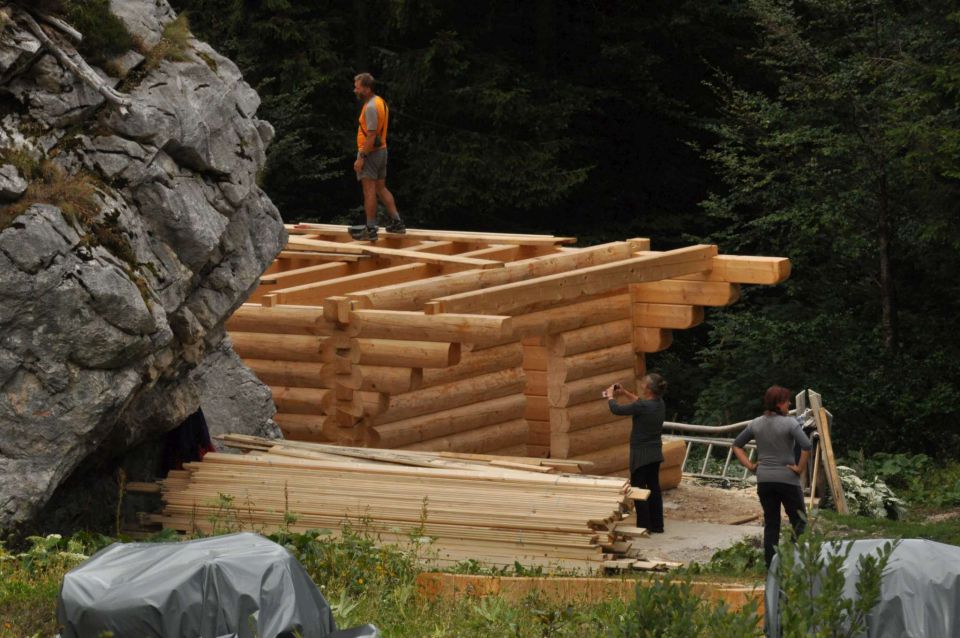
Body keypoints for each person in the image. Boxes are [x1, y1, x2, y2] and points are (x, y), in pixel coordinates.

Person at [732, 385, 812, 568]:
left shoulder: (756, 423)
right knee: (799, 522)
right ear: (779, 403)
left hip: (765, 480)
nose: (789, 404)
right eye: (786, 401)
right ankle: (795, 561)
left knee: (772, 523)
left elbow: (736, 445)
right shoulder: (790, 423)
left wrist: (751, 466)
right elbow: (807, 446)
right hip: (787, 480)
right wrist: (799, 468)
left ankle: (772, 567)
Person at [604, 373, 668, 533]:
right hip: (654, 452)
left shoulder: (643, 407)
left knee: (638, 489)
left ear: (647, 389)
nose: (641, 385)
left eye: (643, 383)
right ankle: (657, 525)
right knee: (654, 488)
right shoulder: (659, 403)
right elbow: (639, 403)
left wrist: (610, 396)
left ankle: (644, 526)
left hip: (640, 454)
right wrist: (625, 393)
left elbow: (616, 409)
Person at [352, 72, 405, 241]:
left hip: (371, 154)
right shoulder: (380, 101)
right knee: (381, 188)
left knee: (370, 191)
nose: (355, 90)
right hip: (381, 151)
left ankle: (371, 229)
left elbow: (371, 135)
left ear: (367, 89)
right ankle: (397, 223)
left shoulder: (371, 108)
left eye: (358, 87)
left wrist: (361, 157)